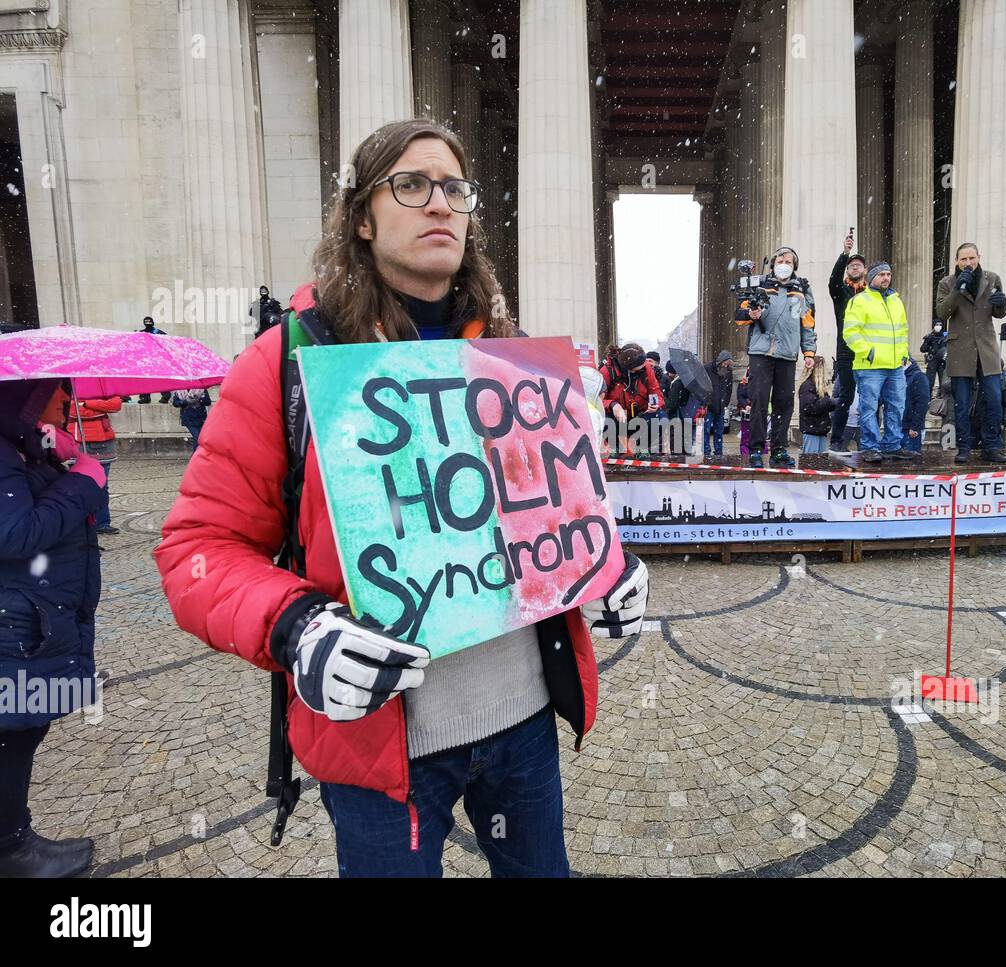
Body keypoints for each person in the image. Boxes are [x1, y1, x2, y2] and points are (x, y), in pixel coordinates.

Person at [154, 118, 648, 878]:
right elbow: (196, 549)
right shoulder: (285, 361)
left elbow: (547, 516)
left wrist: (604, 564)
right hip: (383, 743)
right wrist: (295, 625)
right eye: (411, 186)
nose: (440, 204)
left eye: (455, 188)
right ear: (361, 216)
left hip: (521, 717)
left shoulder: (511, 356)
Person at [0, 379, 107, 877]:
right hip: (16, 627)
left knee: (24, 729)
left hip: (33, 621)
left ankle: (14, 839)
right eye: (57, 389)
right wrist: (83, 479)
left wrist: (51, 455)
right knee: (12, 734)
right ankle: (10, 851)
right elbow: (16, 532)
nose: (69, 399)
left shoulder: (19, 448)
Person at [735, 245, 816, 468]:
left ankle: (779, 449)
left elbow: (808, 324)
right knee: (759, 400)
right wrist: (751, 314)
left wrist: (808, 352)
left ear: (794, 266)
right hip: (761, 351)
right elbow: (739, 316)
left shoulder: (802, 290)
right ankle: (756, 449)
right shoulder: (759, 284)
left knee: (784, 403)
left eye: (788, 262)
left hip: (788, 354)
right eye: (780, 260)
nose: (784, 264)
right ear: (772, 264)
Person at [935, 243, 1006, 463]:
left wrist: (1002, 304)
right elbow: (943, 312)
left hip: (986, 348)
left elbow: (999, 313)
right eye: (963, 259)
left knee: (994, 400)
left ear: (979, 257)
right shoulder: (946, 283)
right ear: (956, 261)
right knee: (961, 403)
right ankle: (964, 447)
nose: (968, 263)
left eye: (971, 258)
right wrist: (958, 289)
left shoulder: (992, 278)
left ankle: (992, 446)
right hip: (960, 349)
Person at [842, 261, 914, 463]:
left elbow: (902, 331)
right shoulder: (860, 300)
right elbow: (850, 332)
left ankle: (892, 445)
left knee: (896, 406)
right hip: (870, 366)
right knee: (869, 408)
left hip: (894, 366)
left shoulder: (895, 300)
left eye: (888, 274)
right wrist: (868, 352)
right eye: (881, 274)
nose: (886, 278)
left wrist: (903, 355)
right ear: (871, 277)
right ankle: (870, 447)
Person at [828, 234, 868, 449]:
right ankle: (836, 441)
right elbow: (833, 280)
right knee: (845, 396)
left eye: (859, 265)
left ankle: (869, 441)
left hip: (867, 352)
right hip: (845, 352)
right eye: (852, 265)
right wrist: (844, 253)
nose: (855, 267)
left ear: (864, 270)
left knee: (870, 398)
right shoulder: (840, 291)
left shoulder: (871, 294)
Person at [66, 395, 121, 535]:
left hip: (102, 444)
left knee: (102, 485)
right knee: (78, 486)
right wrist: (98, 406)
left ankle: (102, 522)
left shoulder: (101, 386)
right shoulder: (69, 386)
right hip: (77, 442)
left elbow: (115, 404)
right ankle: (82, 521)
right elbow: (72, 410)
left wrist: (85, 403)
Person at [600, 343, 663, 457]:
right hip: (616, 418)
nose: (646, 365)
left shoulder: (646, 369)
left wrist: (656, 404)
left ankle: (642, 447)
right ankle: (615, 448)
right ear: (630, 368)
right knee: (604, 421)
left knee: (661, 418)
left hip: (639, 416)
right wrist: (612, 405)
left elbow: (656, 391)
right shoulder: (607, 371)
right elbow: (596, 400)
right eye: (642, 364)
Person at [798, 355, 836, 454]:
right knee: (811, 461)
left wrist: (834, 403)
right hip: (813, 430)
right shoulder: (808, 385)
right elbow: (810, 408)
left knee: (820, 462)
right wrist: (829, 401)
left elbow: (821, 406)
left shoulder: (818, 387)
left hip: (819, 429)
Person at [701, 350, 733, 459]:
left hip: (721, 405)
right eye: (724, 363)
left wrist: (725, 403)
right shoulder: (707, 368)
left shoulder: (728, 371)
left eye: (727, 364)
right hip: (709, 405)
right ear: (720, 361)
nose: (725, 366)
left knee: (719, 431)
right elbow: (702, 386)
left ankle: (718, 452)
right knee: (706, 430)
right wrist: (705, 402)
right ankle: (706, 452)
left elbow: (729, 389)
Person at [137, 317, 171, 404]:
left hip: (157, 359)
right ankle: (145, 397)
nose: (148, 323)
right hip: (145, 360)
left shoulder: (159, 332)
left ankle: (165, 395)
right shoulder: (141, 333)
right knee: (145, 379)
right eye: (146, 322)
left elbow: (167, 342)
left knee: (161, 378)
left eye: (149, 322)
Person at [900, 355, 930, 454]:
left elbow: (923, 403)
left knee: (911, 459)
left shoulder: (918, 377)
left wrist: (915, 426)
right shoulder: (900, 377)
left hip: (910, 428)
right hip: (901, 426)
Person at [171, 387, 212, 453]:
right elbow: (175, 403)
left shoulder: (201, 389)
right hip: (188, 419)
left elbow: (208, 402)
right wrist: (186, 402)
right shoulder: (179, 390)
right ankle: (196, 457)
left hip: (200, 418)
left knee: (200, 439)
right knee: (197, 437)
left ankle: (196, 457)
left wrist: (199, 400)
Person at [919, 320, 947, 396]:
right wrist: (927, 341)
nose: (938, 326)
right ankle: (928, 398)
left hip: (942, 361)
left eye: (940, 325)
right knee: (929, 381)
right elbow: (922, 349)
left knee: (943, 382)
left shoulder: (945, 336)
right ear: (933, 326)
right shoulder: (930, 336)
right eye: (936, 324)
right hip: (932, 361)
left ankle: (941, 398)